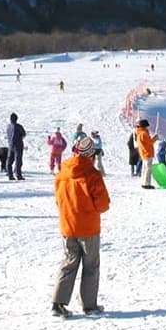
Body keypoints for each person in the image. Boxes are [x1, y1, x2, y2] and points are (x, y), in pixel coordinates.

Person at [50, 135, 111, 318]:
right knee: (91, 265)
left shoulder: (62, 173)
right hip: (88, 228)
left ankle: (57, 303)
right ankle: (88, 304)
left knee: (69, 262)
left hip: (67, 226)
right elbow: (103, 204)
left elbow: (58, 200)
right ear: (91, 154)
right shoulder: (92, 175)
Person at [135, 119, 157, 189]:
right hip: (147, 152)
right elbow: (149, 142)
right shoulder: (143, 134)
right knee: (148, 169)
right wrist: (155, 138)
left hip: (144, 153)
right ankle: (147, 184)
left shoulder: (139, 133)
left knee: (145, 168)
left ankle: (143, 182)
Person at [6, 112, 26, 180]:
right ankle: (18, 175)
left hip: (10, 145)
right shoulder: (18, 126)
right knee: (18, 161)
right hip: (18, 146)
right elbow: (23, 134)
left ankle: (10, 175)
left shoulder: (8, 126)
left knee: (9, 161)